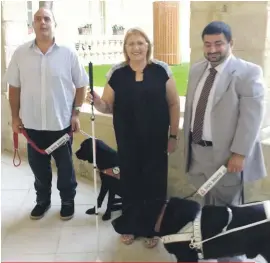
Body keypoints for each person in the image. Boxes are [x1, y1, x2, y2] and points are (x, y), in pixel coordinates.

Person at [86, 27, 180, 248]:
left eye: (140, 43)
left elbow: (174, 103)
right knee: (130, 184)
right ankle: (129, 225)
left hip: (157, 142)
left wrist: (173, 135)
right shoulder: (117, 73)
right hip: (128, 141)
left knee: (155, 185)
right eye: (131, 44)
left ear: (148, 45)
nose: (136, 48)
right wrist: (97, 101)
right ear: (125, 49)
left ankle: (152, 229)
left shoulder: (161, 70)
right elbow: (106, 107)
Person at [183, 21, 267, 261]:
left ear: (231, 43)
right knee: (205, 214)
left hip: (227, 158)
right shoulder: (196, 70)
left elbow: (251, 117)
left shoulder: (248, 72)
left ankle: (230, 258)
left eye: (218, 43)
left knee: (227, 218)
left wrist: (240, 154)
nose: (212, 49)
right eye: (207, 44)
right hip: (198, 154)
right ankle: (210, 251)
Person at [5, 8, 89, 220]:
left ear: (54, 24)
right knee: (39, 169)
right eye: (37, 19)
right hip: (31, 124)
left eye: (47, 18)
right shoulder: (20, 53)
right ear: (32, 25)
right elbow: (13, 88)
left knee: (65, 169)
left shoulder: (68, 52)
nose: (42, 22)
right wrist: (15, 117)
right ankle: (42, 200)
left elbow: (81, 85)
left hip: (60, 123)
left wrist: (76, 113)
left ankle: (68, 200)